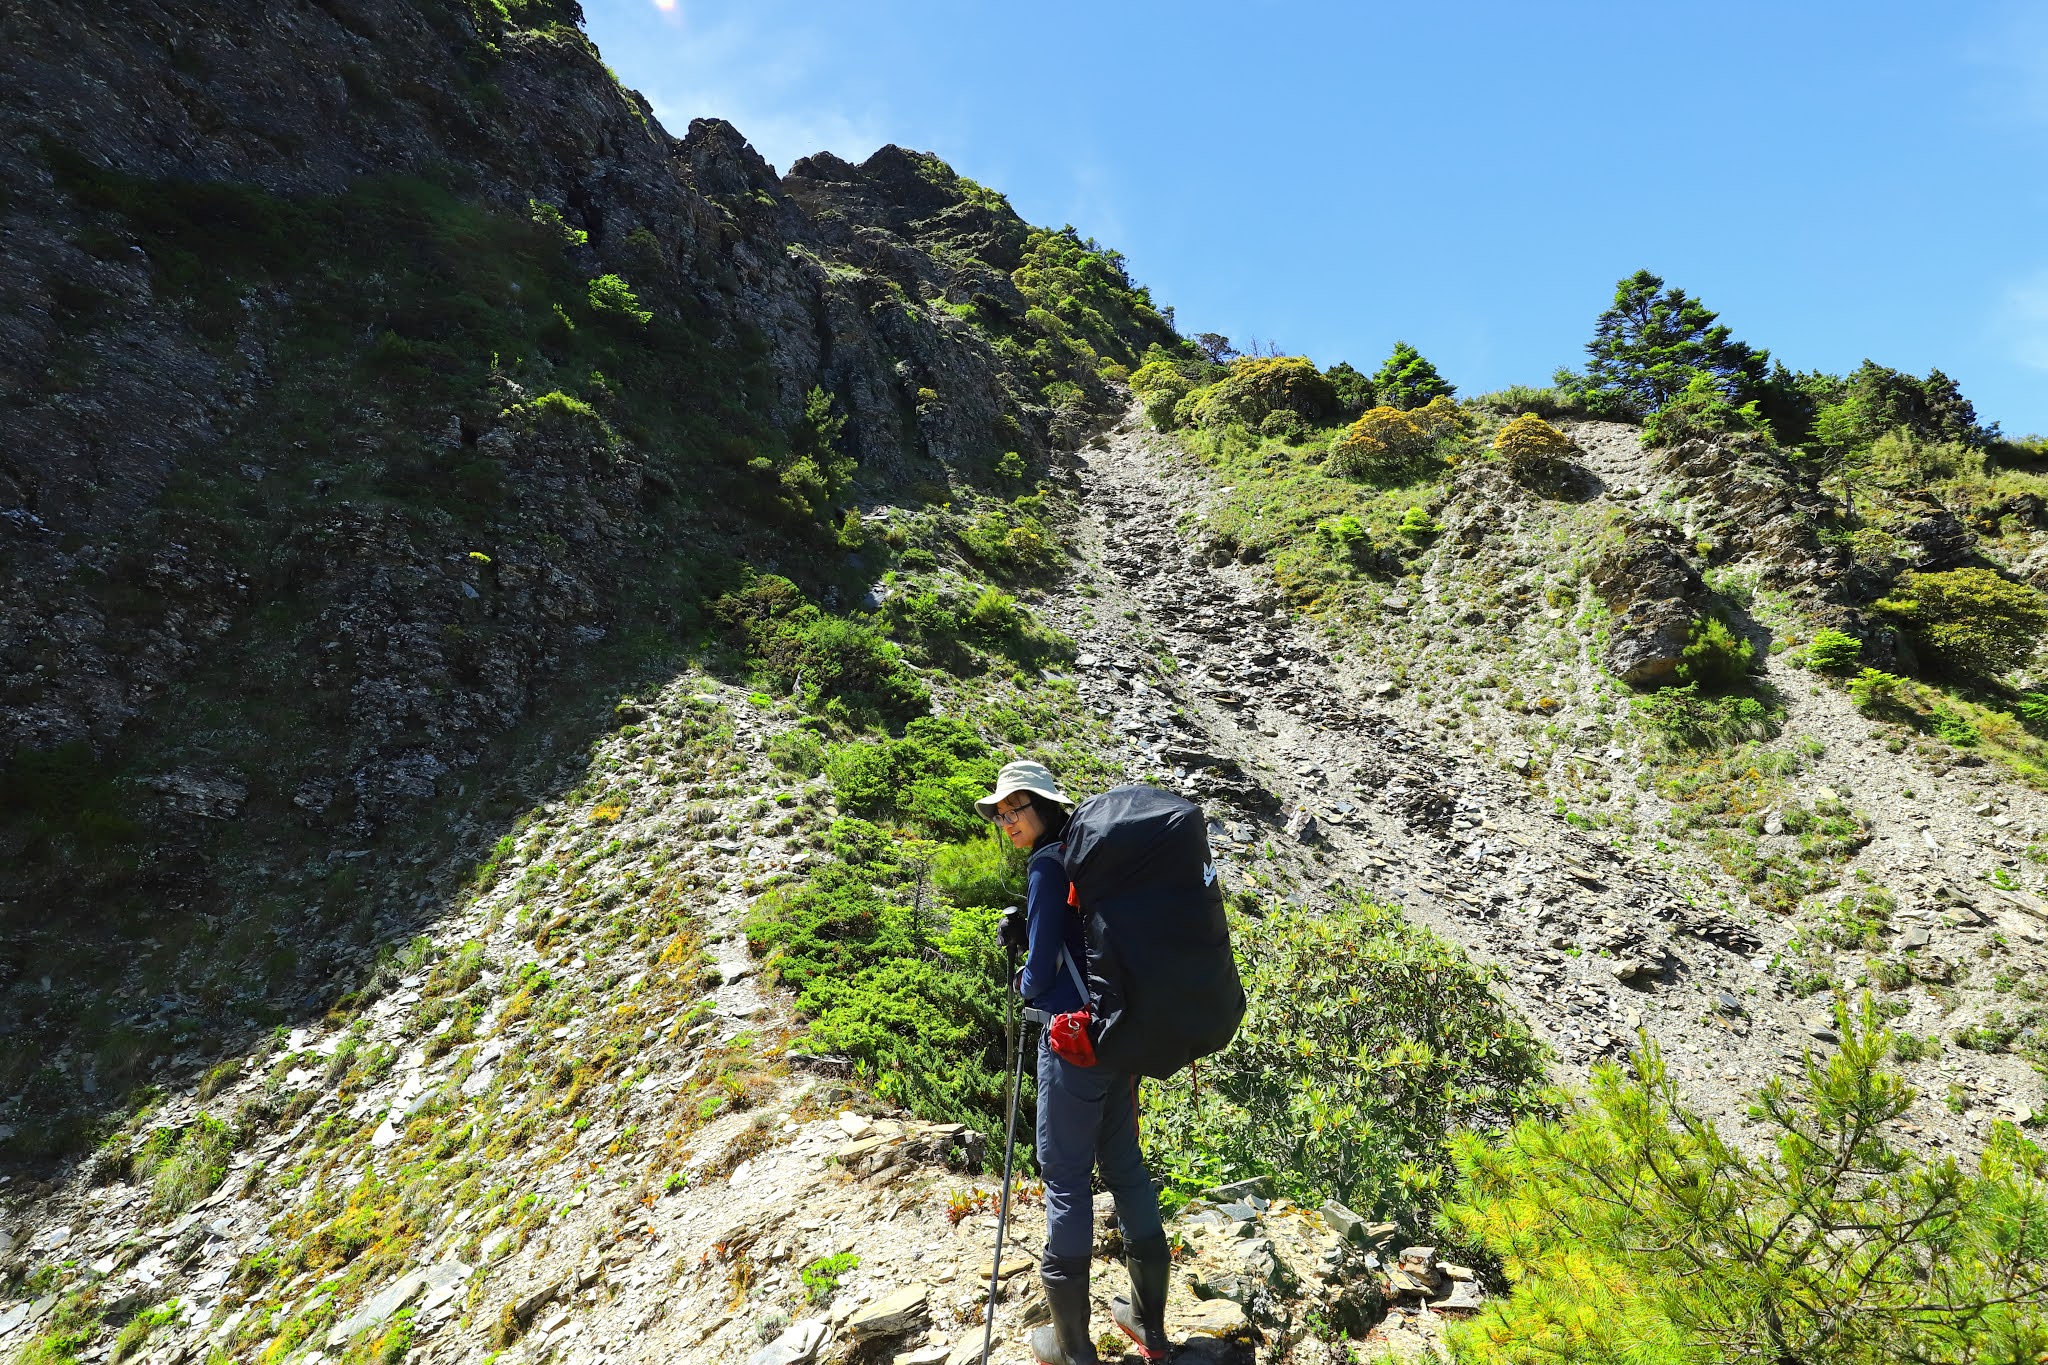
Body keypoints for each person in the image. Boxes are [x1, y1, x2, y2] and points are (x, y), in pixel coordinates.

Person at [978, 760, 1171, 1365]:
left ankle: (1073, 1349)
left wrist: (1024, 974)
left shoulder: (1045, 863)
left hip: (1070, 1039)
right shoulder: (1091, 857)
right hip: (1120, 1035)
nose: (1009, 820)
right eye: (1002, 813)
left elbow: (1038, 973)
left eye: (1018, 808)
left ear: (1045, 806)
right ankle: (1151, 1327)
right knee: (1126, 1168)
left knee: (1064, 1177)